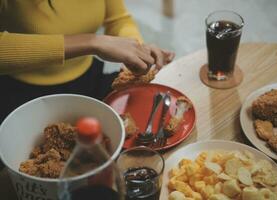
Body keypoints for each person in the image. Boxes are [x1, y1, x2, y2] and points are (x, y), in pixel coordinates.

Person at [0, 0, 175, 123]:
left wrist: (136, 49)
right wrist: (92, 42)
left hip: (88, 79)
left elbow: (118, 19)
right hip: (20, 94)